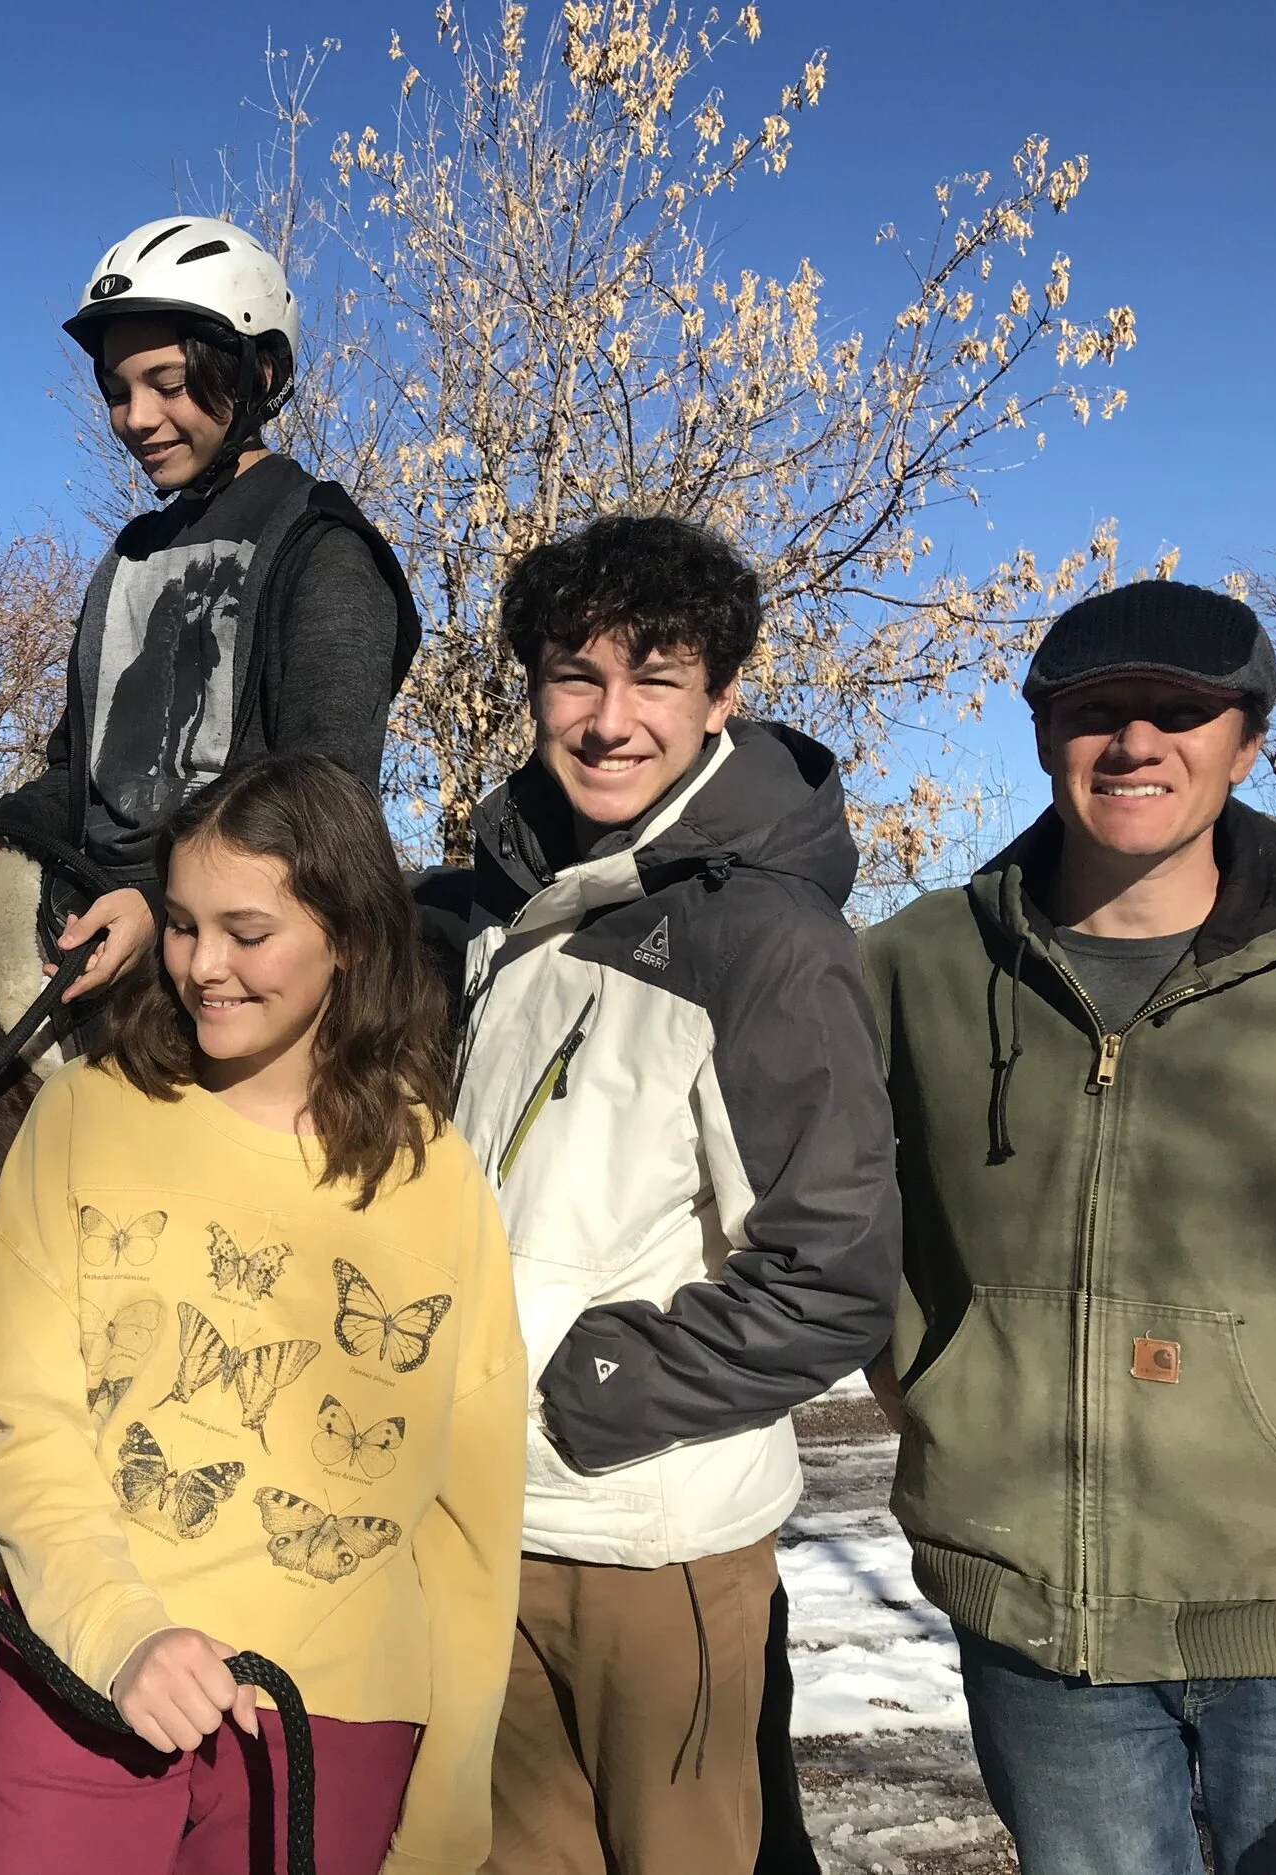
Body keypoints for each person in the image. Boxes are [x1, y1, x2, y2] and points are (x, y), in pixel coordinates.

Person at [860, 580, 1276, 1875]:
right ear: (1045, 735)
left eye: (1179, 711)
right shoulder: (917, 963)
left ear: (1246, 742)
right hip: (1036, 1626)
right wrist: (939, 1388)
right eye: (1098, 711)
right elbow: (839, 1212)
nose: (1136, 741)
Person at [421, 514, 899, 1875]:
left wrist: (578, 1390)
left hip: (646, 1533)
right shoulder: (516, 910)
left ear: (721, 696)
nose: (610, 719)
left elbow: (831, 1276)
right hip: (492, 1525)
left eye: (657, 677)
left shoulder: (765, 936)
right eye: (575, 675)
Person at [0, 752, 526, 1875]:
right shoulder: (83, 1119)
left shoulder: (436, 1178)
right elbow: (22, 1425)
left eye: (247, 931)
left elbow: (470, 1517)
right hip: (89, 1684)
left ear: (348, 936)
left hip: (336, 1724)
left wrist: (450, 1809)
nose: (203, 966)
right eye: (181, 925)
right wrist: (118, 1633)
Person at [0, 216, 420, 1007]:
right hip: (85, 926)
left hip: (227, 971)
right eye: (118, 391)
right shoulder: (130, 556)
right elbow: (77, 776)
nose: (137, 417)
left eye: (168, 383)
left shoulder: (324, 549)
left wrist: (167, 915)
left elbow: (328, 807)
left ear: (256, 374)